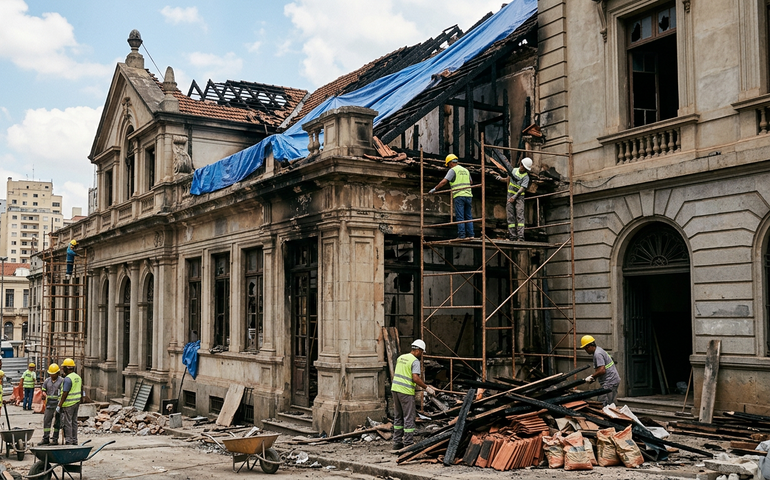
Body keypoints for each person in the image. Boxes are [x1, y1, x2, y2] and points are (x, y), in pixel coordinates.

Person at [390, 339, 435, 452]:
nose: (421, 355)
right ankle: (408, 443)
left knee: (398, 416)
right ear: (418, 350)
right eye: (422, 352)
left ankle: (397, 442)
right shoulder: (415, 361)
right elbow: (415, 378)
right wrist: (426, 388)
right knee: (409, 417)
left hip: (395, 389)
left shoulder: (401, 358)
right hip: (406, 391)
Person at [429, 154, 474, 239]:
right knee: (468, 216)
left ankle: (461, 235)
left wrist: (435, 189)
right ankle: (471, 235)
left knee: (460, 216)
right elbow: (471, 182)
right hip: (468, 195)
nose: (449, 166)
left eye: (448, 164)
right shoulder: (466, 170)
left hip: (459, 195)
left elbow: (444, 182)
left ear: (450, 163)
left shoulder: (453, 170)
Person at [495, 157, 532, 241]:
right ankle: (512, 236)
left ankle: (520, 237)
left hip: (519, 197)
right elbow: (508, 180)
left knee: (520, 216)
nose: (523, 168)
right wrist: (500, 179)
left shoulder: (526, 177)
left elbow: (522, 188)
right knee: (510, 216)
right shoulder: (514, 171)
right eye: (523, 166)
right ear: (521, 164)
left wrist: (514, 197)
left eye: (525, 168)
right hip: (510, 195)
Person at [581, 335, 621, 406]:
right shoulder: (598, 350)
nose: (586, 351)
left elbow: (602, 370)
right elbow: (600, 369)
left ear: (588, 346)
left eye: (585, 349)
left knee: (602, 403)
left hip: (610, 381)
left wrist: (592, 376)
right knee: (610, 403)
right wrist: (594, 378)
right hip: (611, 380)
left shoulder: (598, 354)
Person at [57, 358, 82, 445]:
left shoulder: (68, 379)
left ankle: (69, 441)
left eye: (63, 367)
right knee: (74, 422)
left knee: (68, 423)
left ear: (67, 368)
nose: (62, 369)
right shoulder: (78, 377)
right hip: (76, 402)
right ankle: (74, 440)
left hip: (68, 404)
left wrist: (59, 405)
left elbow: (65, 393)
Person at [40, 363, 64, 445]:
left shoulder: (62, 381)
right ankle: (45, 438)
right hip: (49, 404)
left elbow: (63, 393)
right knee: (47, 421)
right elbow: (43, 389)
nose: (52, 375)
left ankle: (55, 439)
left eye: (53, 374)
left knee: (57, 422)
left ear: (57, 373)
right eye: (51, 374)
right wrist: (43, 393)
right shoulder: (47, 381)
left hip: (58, 404)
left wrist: (60, 405)